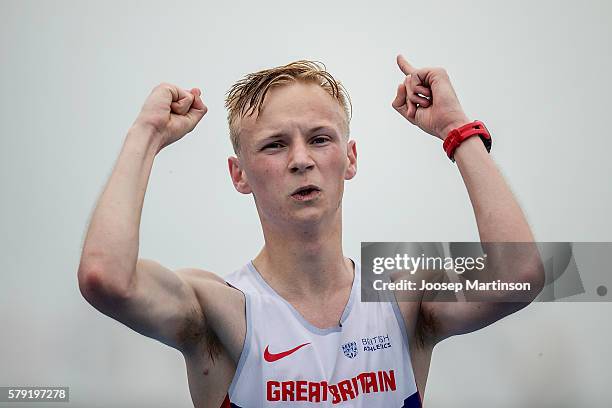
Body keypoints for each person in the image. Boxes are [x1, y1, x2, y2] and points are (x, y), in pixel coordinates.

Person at [77, 56, 544, 407]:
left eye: (320, 139)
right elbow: (106, 278)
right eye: (275, 145)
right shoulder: (222, 308)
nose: (301, 159)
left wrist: (457, 129)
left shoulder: (402, 293)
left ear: (351, 158)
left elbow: (521, 275)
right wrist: (147, 133)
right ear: (239, 175)